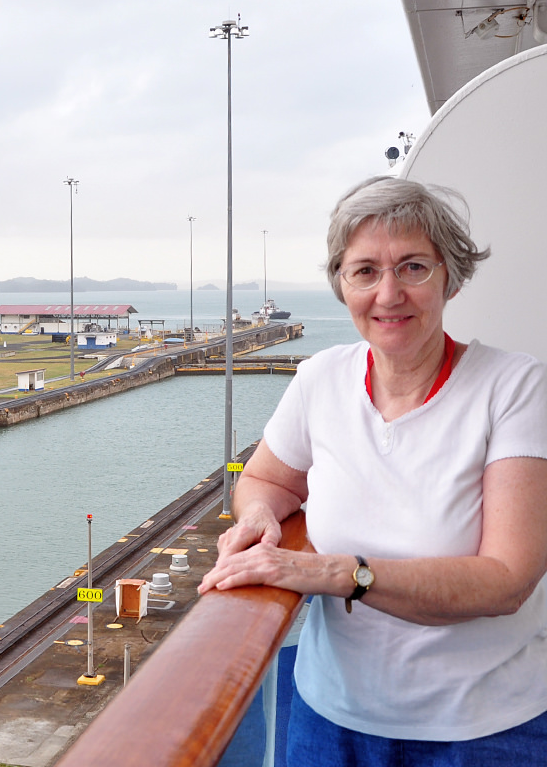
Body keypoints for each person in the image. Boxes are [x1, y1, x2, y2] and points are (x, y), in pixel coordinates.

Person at [198, 177, 547, 763]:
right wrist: (259, 518)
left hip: (484, 730)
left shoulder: (514, 387)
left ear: (450, 276)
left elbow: (507, 580)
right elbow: (267, 479)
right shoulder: (321, 380)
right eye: (364, 271)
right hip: (329, 720)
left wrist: (339, 573)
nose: (389, 294)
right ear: (341, 284)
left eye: (413, 267)